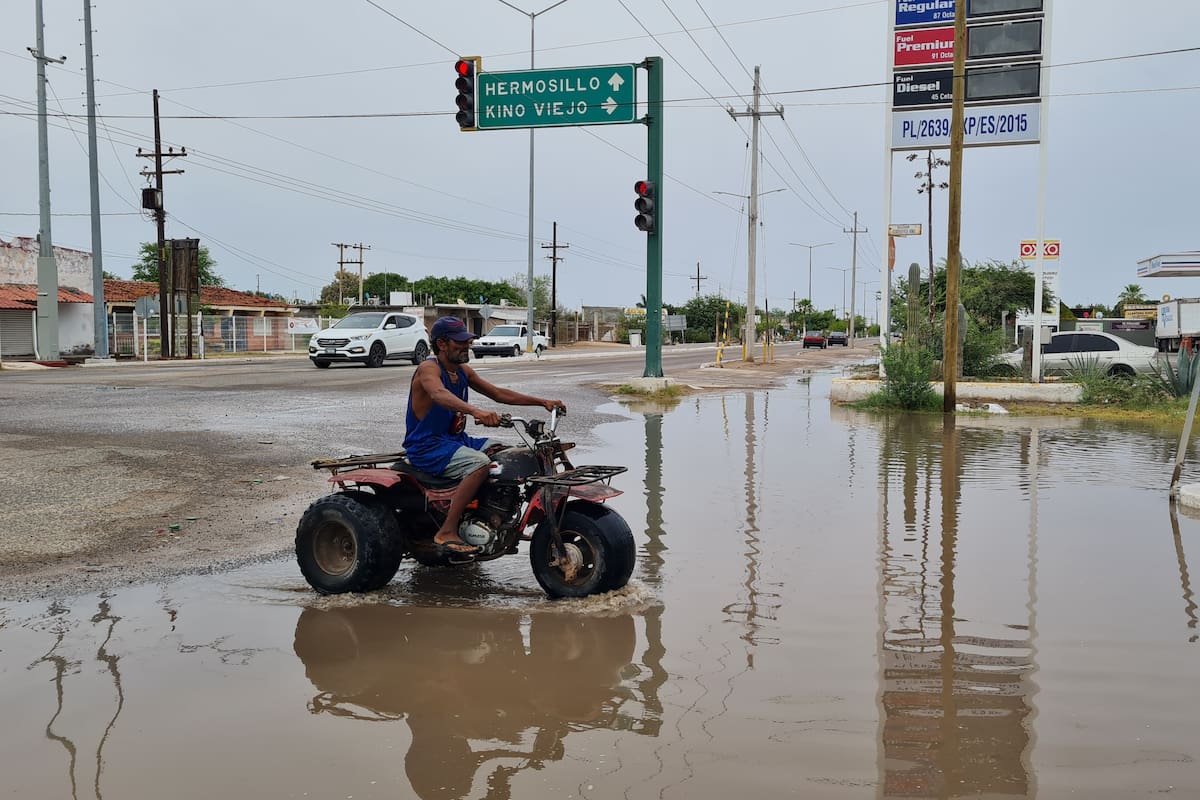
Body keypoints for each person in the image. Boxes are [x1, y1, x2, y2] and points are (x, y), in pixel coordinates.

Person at [404, 316, 566, 557]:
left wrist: (542, 402)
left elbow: (498, 393)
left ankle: (492, 516)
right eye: (459, 342)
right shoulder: (429, 368)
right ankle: (446, 531)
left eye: (467, 341)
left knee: (509, 454)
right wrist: (475, 410)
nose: (466, 346)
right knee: (479, 465)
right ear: (441, 344)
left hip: (456, 442)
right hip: (427, 446)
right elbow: (438, 394)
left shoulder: (463, 371)